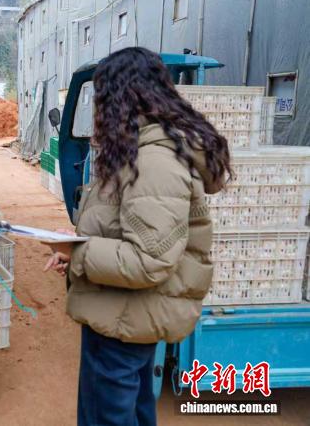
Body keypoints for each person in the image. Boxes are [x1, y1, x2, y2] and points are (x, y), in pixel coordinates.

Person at [43, 47, 231, 426]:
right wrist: (77, 249)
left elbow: (148, 259)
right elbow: (125, 229)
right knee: (134, 410)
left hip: (125, 318)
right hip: (127, 314)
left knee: (107, 417)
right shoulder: (141, 150)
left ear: (121, 98)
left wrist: (80, 253)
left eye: (102, 98)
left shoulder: (153, 162)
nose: (99, 111)